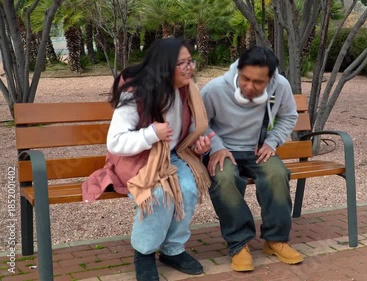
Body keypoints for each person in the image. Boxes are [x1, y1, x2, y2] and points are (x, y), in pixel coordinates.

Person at [82, 38, 214, 281]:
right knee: (160, 195)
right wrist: (151, 133)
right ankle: (144, 252)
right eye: (181, 63)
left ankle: (173, 249)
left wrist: (199, 145)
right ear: (164, 66)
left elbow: (188, 132)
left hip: (171, 155)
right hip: (137, 159)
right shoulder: (136, 92)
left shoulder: (187, 89)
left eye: (190, 61)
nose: (189, 68)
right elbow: (116, 142)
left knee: (187, 187)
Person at [200, 46, 303, 272]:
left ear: (270, 79)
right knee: (224, 178)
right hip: (223, 150)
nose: (249, 87)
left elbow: (289, 116)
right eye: (245, 78)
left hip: (258, 150)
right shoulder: (214, 89)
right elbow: (199, 124)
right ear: (238, 70)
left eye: (258, 82)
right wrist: (216, 146)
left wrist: (272, 141)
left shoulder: (281, 86)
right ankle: (239, 243)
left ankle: (275, 240)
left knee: (277, 174)